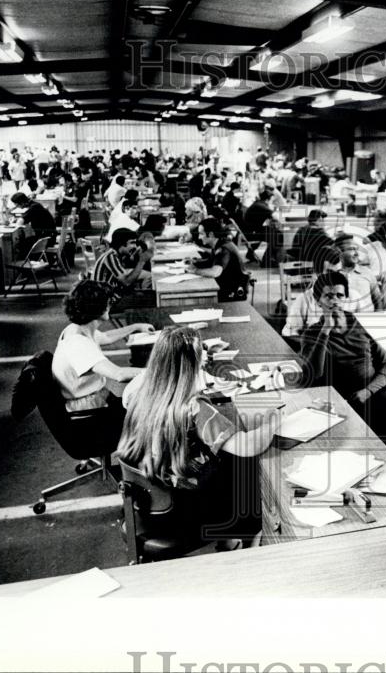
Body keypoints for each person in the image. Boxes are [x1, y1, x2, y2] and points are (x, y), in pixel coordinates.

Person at [117, 327, 277, 549]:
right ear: (192, 367)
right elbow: (248, 446)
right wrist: (273, 423)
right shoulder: (194, 409)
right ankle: (246, 545)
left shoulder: (140, 394)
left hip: (152, 499)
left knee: (227, 459)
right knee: (250, 470)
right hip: (186, 512)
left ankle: (229, 542)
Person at [299, 272, 386, 451]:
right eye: (328, 296)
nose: (335, 301)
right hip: (341, 398)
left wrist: (367, 392)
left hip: (371, 391)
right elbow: (313, 375)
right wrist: (325, 331)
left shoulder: (360, 323)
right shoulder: (312, 334)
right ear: (318, 301)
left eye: (340, 295)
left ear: (346, 298)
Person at [51, 280, 151, 413]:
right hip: (89, 409)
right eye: (108, 303)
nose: (110, 306)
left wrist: (136, 327)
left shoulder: (77, 328)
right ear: (96, 308)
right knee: (148, 412)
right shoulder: (78, 344)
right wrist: (153, 371)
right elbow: (119, 374)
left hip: (94, 398)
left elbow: (106, 337)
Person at [187, 217, 250, 302]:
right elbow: (211, 261)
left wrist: (195, 271)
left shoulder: (224, 249)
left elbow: (215, 272)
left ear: (211, 234)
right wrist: (195, 262)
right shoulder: (220, 243)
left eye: (201, 234)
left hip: (232, 293)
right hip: (227, 286)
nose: (199, 237)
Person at [93, 227, 154, 296]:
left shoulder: (117, 254)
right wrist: (141, 261)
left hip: (112, 292)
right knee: (147, 298)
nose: (135, 246)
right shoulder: (110, 257)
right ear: (121, 244)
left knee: (144, 294)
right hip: (105, 298)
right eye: (132, 243)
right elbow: (127, 282)